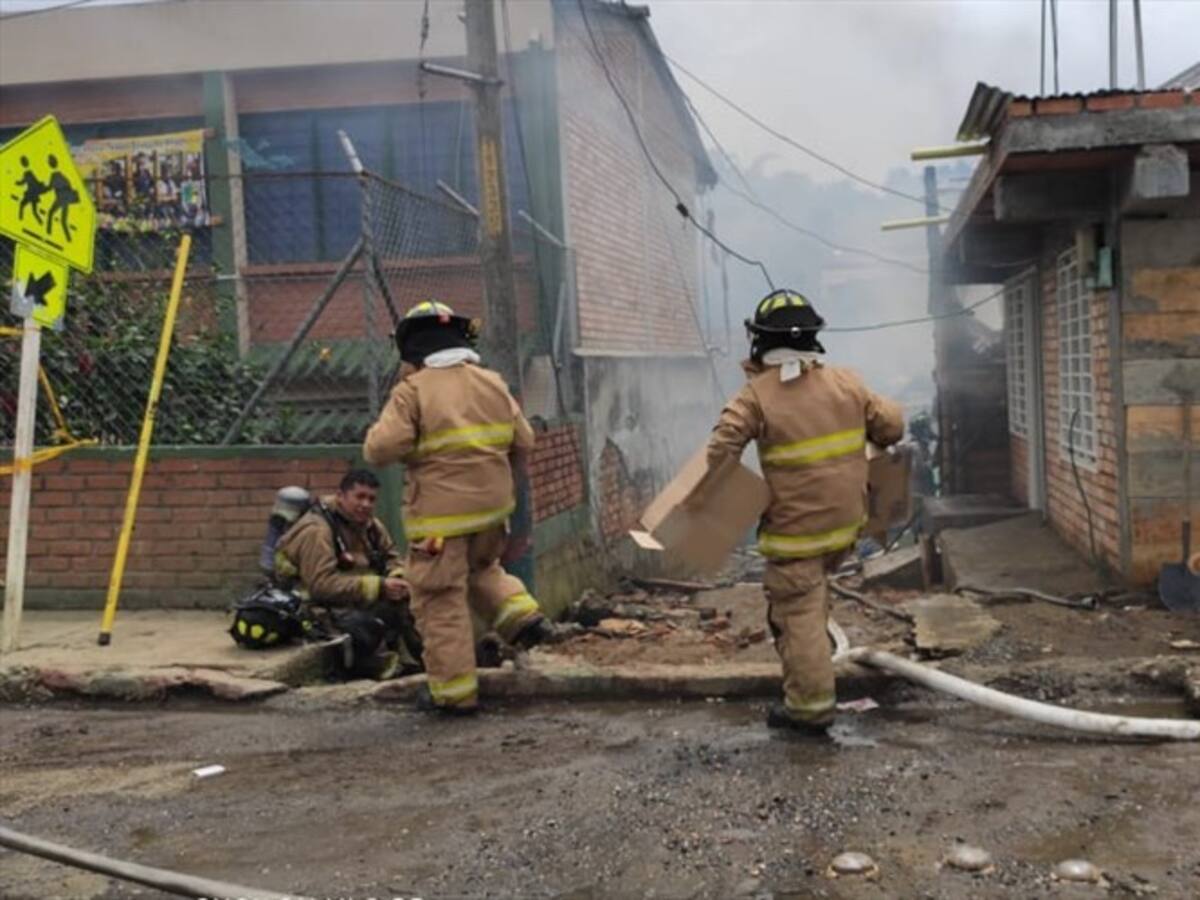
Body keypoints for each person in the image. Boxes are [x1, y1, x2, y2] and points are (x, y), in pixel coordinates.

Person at [706, 289, 904, 736]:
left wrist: (721, 496)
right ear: (812, 337)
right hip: (844, 529)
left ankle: (810, 711)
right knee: (812, 602)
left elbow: (721, 449)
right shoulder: (846, 382)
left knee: (797, 617)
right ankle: (809, 686)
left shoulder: (755, 397)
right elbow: (892, 426)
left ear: (760, 340)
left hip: (797, 538)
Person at [363, 300, 554, 715]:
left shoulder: (412, 391)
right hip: (492, 514)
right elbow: (524, 441)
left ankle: (453, 695)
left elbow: (379, 450)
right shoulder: (492, 382)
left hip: (438, 524)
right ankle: (523, 618)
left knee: (439, 600)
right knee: (483, 571)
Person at [273, 469, 423, 680]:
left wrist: (397, 579)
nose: (366, 504)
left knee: (416, 603)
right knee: (364, 628)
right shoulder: (317, 531)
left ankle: (426, 663)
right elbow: (320, 585)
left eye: (371, 499)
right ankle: (374, 668)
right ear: (341, 496)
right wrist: (379, 586)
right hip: (315, 607)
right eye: (359, 497)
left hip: (351, 597)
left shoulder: (370, 525)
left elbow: (392, 557)